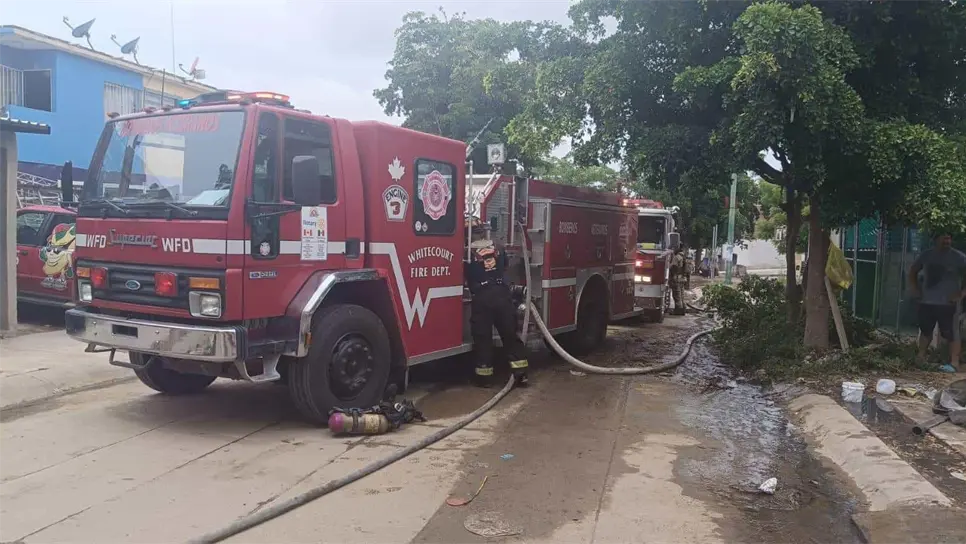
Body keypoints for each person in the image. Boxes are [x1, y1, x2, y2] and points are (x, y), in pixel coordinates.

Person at [464, 222, 530, 387]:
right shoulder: (498, 248)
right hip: (502, 295)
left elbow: (464, 275)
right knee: (510, 336)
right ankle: (520, 374)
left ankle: (484, 377)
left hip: (482, 298)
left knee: (483, 338)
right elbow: (505, 266)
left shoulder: (467, 252)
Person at [908, 233, 966, 373]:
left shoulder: (959, 257)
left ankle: (954, 363)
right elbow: (913, 271)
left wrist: (961, 294)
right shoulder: (926, 255)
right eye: (944, 238)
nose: (947, 241)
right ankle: (921, 358)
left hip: (948, 303)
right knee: (926, 330)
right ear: (935, 239)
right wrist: (915, 289)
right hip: (927, 301)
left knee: (952, 333)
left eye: (949, 238)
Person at [668, 244, 687, 316]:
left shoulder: (677, 257)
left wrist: (672, 276)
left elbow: (674, 267)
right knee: (681, 295)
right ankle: (683, 309)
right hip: (682, 279)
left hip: (677, 279)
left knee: (676, 295)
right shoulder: (684, 256)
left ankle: (678, 310)